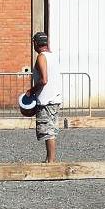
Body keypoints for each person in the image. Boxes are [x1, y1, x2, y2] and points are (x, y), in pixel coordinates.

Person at [27, 31, 61, 163]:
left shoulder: (41, 57)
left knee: (48, 131)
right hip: (54, 98)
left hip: (47, 100)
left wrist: (32, 90)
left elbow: (44, 79)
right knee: (50, 129)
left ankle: (51, 160)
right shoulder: (52, 56)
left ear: (36, 43)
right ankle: (49, 159)